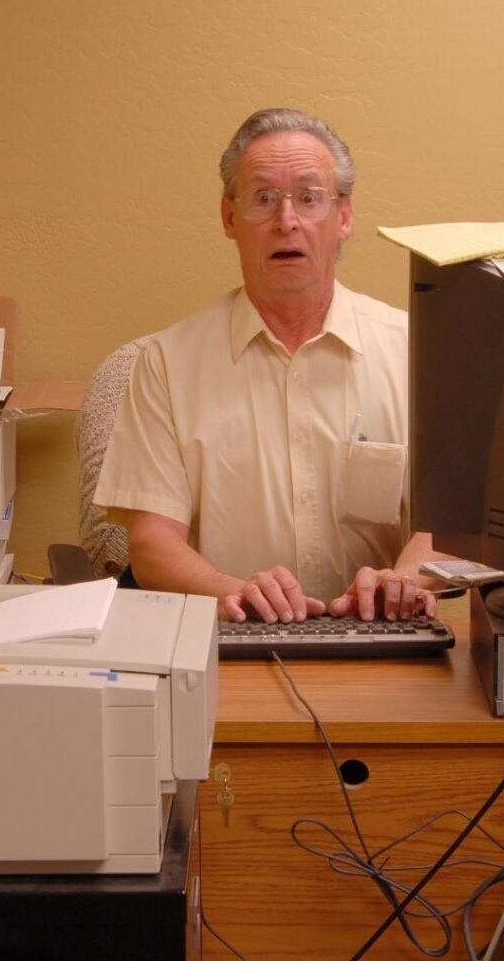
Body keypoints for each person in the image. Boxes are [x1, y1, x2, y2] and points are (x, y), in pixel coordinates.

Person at [94, 107, 443, 623]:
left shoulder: (414, 352)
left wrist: (403, 581)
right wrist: (233, 594)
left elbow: (454, 529)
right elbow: (151, 546)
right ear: (230, 218)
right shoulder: (166, 364)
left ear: (343, 216)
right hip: (231, 647)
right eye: (263, 198)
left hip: (384, 641)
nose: (287, 221)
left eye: (309, 197)